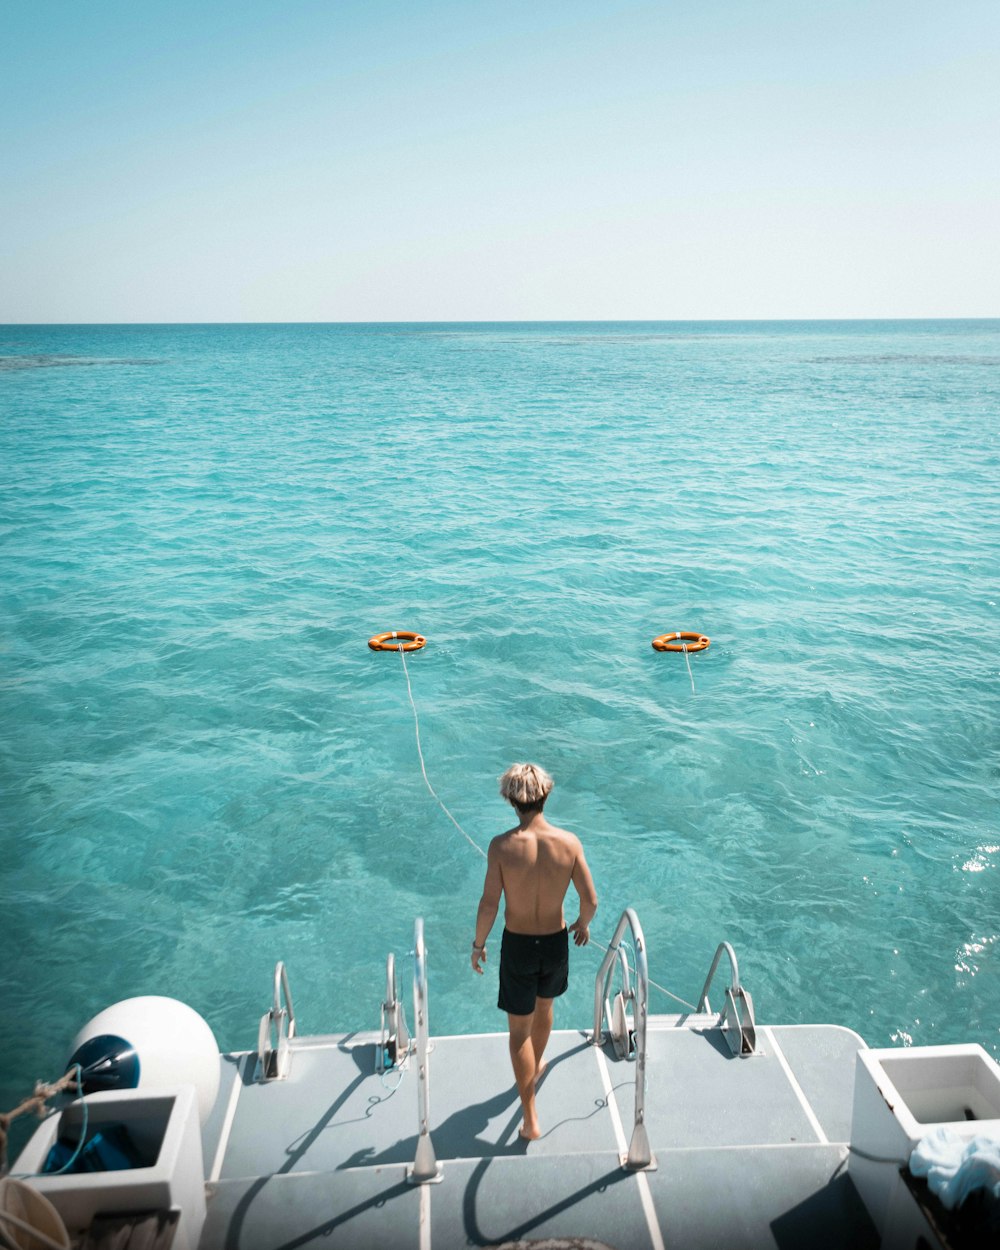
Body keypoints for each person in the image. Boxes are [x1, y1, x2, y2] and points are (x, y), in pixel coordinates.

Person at [471, 762, 598, 1141]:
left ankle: (530, 1118)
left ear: (511, 800)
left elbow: (489, 904)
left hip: (519, 947)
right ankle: (537, 1066)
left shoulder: (501, 846)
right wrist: (582, 925)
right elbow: (590, 900)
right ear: (545, 796)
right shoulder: (569, 842)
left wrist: (478, 945)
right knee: (546, 1009)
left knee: (517, 1034)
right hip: (556, 942)